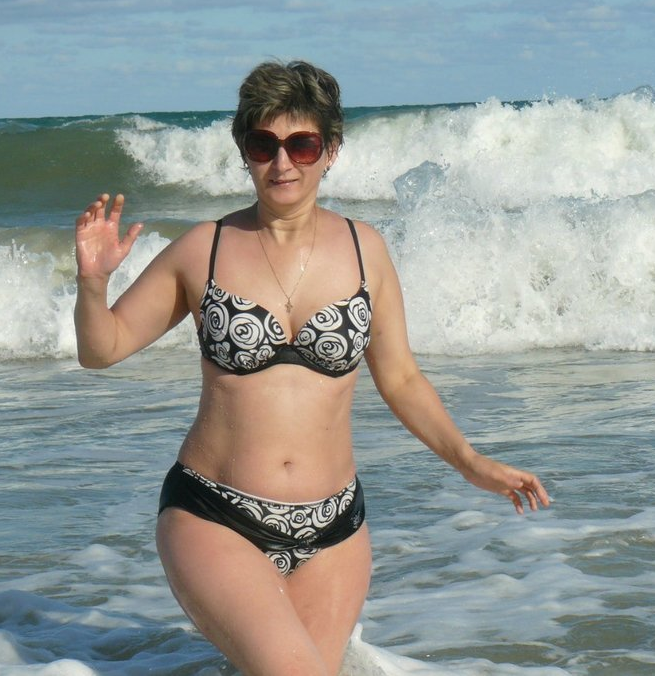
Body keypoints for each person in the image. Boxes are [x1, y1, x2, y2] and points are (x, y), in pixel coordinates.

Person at [74, 60, 550, 676]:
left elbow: (401, 378)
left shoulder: (365, 250)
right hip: (215, 513)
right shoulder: (203, 249)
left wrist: (470, 461)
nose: (283, 163)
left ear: (330, 151)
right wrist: (93, 284)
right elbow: (103, 348)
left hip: (334, 529)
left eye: (301, 144)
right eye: (263, 145)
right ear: (244, 152)